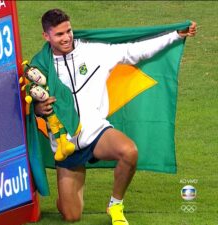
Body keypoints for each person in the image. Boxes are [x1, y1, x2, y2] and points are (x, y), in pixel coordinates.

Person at [32, 8, 197, 224]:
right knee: (71, 215)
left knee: (129, 151)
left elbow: (134, 51)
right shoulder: (40, 66)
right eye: (59, 34)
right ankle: (65, 200)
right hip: (66, 145)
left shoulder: (94, 51)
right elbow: (30, 101)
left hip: (95, 133)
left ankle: (115, 205)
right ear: (47, 36)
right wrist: (38, 109)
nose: (67, 38)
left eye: (69, 31)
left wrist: (174, 35)